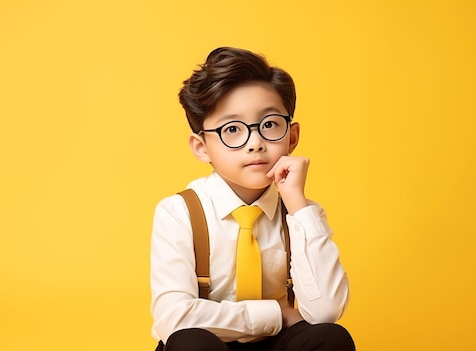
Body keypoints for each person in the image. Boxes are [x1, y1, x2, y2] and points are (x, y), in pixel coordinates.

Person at [150, 47, 355, 351]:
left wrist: (298, 204)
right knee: (189, 342)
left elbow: (325, 312)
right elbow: (173, 317)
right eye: (232, 129)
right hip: (212, 343)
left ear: (292, 136)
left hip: (277, 345)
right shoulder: (179, 212)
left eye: (270, 124)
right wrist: (276, 314)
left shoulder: (302, 213)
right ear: (201, 147)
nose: (255, 143)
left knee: (331, 338)